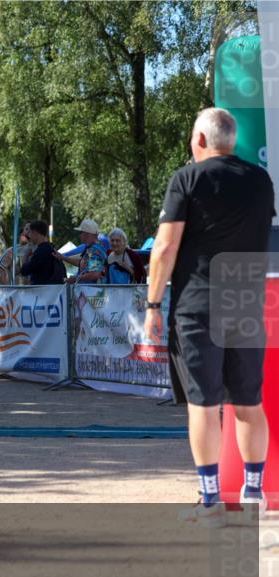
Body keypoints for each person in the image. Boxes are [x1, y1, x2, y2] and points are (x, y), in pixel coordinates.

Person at [145, 107, 275, 522]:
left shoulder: (187, 179)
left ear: (200, 140)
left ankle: (211, 500)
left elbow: (164, 248)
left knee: (203, 406)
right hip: (248, 302)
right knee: (248, 402)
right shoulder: (261, 180)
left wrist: (151, 304)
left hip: (199, 303)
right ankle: (254, 494)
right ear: (231, 140)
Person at [59, 219, 107, 284]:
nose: (79, 235)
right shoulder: (92, 248)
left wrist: (76, 278)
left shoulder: (94, 250)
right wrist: (63, 258)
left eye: (80, 233)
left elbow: (95, 274)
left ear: (86, 235)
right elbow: (83, 263)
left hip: (92, 292)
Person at [19, 220, 66, 285]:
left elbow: (24, 271)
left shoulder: (41, 251)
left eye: (30, 233)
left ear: (35, 233)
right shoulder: (52, 248)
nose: (29, 236)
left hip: (42, 291)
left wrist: (25, 255)